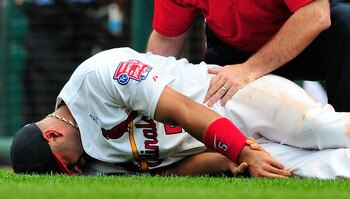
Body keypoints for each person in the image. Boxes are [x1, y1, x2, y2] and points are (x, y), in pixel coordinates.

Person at [9, 48, 350, 179]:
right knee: (316, 170)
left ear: (52, 135)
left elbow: (186, 111)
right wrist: (231, 162)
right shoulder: (91, 164)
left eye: (65, 165)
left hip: (232, 97)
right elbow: (167, 172)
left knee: (318, 129)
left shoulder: (98, 76)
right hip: (223, 146)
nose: (74, 172)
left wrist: (242, 150)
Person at [146, 0, 350, 112]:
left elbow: (315, 15)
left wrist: (249, 70)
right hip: (233, 50)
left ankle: (345, 140)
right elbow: (167, 39)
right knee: (212, 116)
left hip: (305, 41)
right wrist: (144, 92)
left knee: (345, 21)